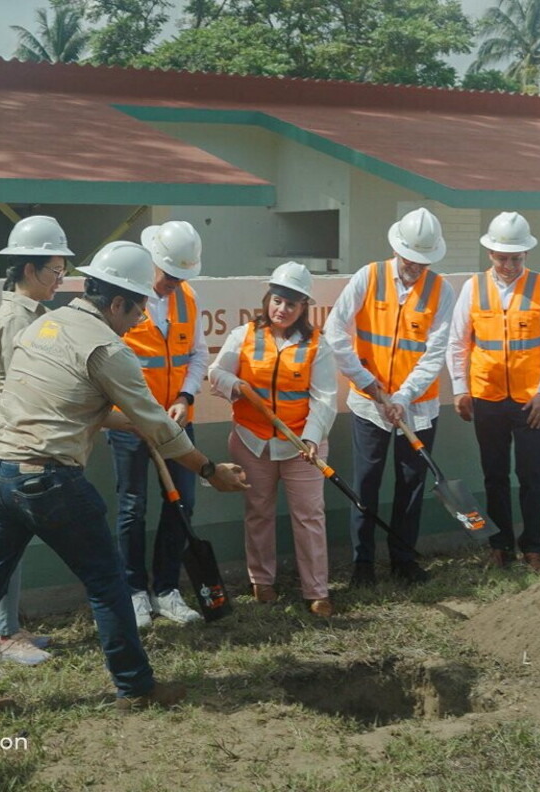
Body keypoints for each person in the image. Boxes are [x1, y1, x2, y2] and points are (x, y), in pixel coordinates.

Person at [0, 241, 248, 724]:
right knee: (106, 583)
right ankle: (136, 686)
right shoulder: (108, 348)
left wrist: (138, 426)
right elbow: (161, 427)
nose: (141, 320)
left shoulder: (44, 324)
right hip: (48, 481)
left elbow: (74, 404)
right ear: (118, 301)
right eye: (138, 308)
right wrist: (210, 470)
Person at [324, 207, 454, 586]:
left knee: (411, 484)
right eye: (410, 258)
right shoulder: (369, 276)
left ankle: (403, 559)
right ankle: (362, 564)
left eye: (422, 261)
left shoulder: (441, 290)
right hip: (369, 404)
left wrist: (404, 396)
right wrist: (368, 383)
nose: (415, 266)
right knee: (366, 483)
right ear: (397, 249)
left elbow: (435, 352)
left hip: (417, 406)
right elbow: (335, 331)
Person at [208, 262, 338, 616]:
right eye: (277, 301)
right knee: (258, 512)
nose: (282, 310)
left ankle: (316, 591)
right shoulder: (244, 335)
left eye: (291, 305)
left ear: (303, 309)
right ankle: (261, 582)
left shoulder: (317, 346)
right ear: (268, 299)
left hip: (301, 448)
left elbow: (325, 399)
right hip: (252, 442)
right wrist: (233, 384)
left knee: (309, 517)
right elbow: (215, 371)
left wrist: (311, 439)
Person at [0, 215, 74, 666]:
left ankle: (7, 629)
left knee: (9, 544)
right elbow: (26, 387)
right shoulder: (19, 317)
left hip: (13, 441)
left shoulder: (33, 313)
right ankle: (2, 636)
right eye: (56, 270)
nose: (62, 279)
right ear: (30, 270)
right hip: (10, 444)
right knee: (3, 547)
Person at [446, 212, 540, 572]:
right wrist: (460, 389)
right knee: (494, 475)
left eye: (516, 258)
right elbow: (458, 342)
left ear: (526, 255)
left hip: (532, 400)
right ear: (490, 254)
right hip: (486, 397)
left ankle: (534, 549)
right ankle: (500, 546)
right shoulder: (473, 287)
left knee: (532, 476)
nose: (509, 265)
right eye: (503, 257)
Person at [106, 221, 209, 629]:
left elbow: (198, 355)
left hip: (178, 421)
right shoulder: (124, 299)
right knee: (133, 507)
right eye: (168, 275)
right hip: (130, 424)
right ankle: (134, 591)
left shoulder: (189, 298)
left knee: (182, 503)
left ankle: (166, 590)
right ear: (152, 262)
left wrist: (186, 397)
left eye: (181, 277)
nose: (172, 284)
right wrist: (136, 415)